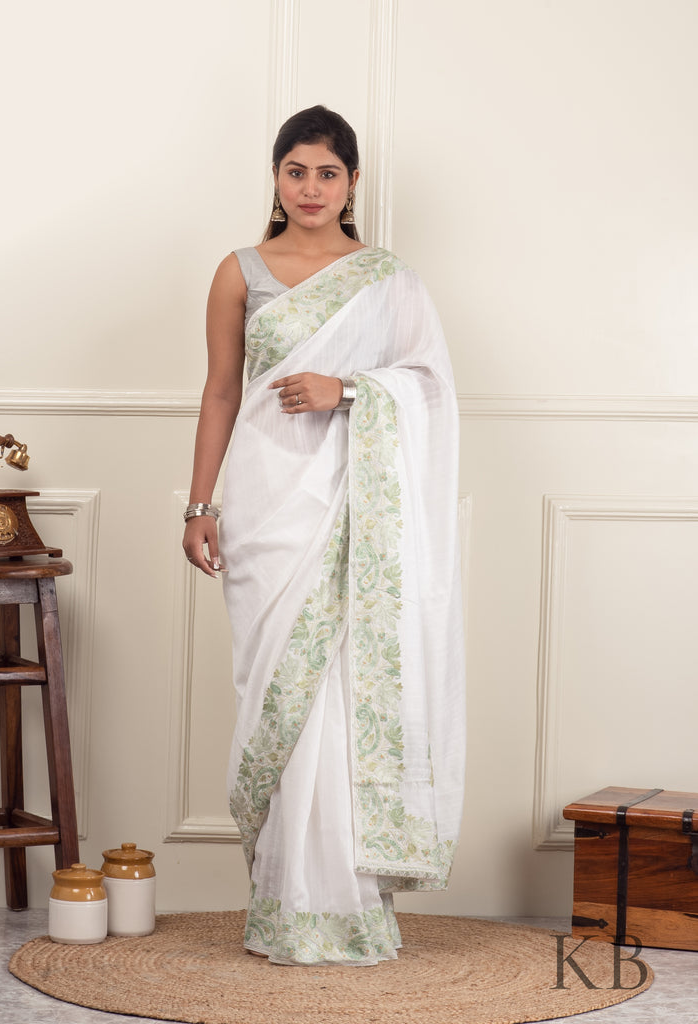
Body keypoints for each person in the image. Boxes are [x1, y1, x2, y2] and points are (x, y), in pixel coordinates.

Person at [182, 105, 465, 966]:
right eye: (296, 171)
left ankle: (340, 907)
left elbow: (428, 386)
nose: (310, 188)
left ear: (351, 183)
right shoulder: (238, 271)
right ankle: (284, 902)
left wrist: (344, 391)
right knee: (277, 691)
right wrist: (198, 507)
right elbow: (221, 391)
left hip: (351, 507)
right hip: (265, 502)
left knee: (340, 695)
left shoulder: (387, 279)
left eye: (327, 173)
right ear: (276, 177)